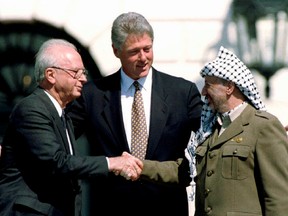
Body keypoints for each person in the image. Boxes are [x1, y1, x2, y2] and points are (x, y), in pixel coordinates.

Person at [67, 12, 202, 216]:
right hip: (110, 208)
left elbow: (211, 141)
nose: (143, 58)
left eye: (147, 49)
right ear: (116, 51)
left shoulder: (182, 93)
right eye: (133, 52)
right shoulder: (92, 95)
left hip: (167, 208)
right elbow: (59, 138)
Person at [0, 38, 143, 216]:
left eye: (83, 72)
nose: (83, 79)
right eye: (75, 72)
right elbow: (57, 162)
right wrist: (112, 163)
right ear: (51, 75)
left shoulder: (62, 113)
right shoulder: (32, 109)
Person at [186, 46, 288, 215]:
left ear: (229, 88)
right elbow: (184, 169)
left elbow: (279, 199)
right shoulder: (211, 129)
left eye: (208, 85)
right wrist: (142, 167)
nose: (203, 92)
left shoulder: (264, 126)